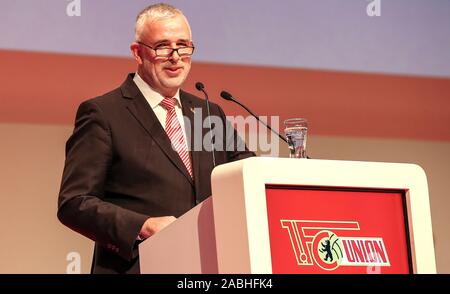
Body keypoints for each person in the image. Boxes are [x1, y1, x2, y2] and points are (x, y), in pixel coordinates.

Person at [57, 3, 254, 274]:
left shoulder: (208, 112)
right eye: (163, 46)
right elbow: (74, 202)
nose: (175, 56)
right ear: (138, 53)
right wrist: (142, 225)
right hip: (138, 266)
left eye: (183, 45)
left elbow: (245, 173)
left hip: (208, 267)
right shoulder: (104, 113)